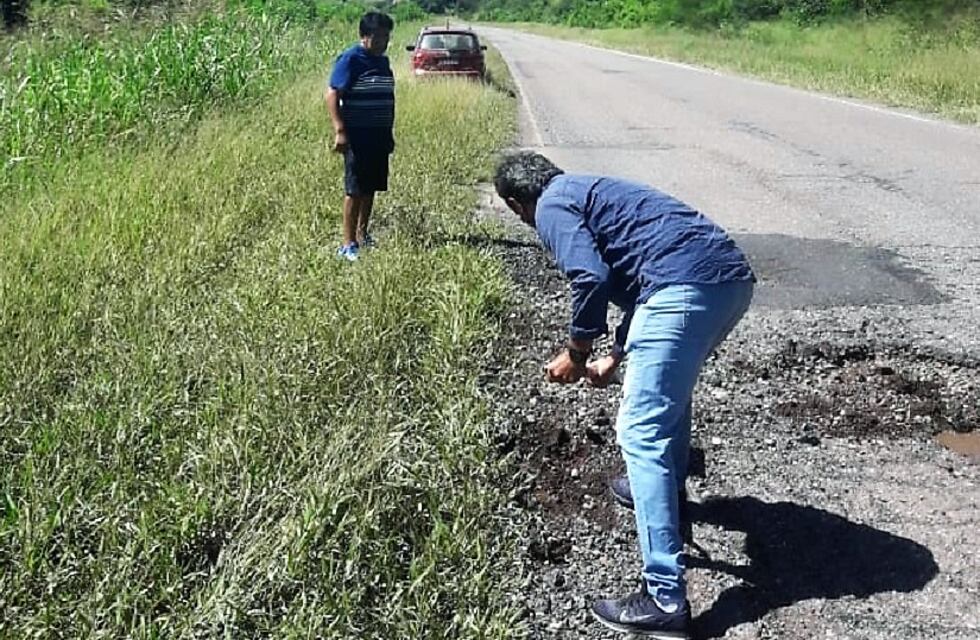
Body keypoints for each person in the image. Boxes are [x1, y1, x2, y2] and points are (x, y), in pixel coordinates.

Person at [494, 151, 756, 639]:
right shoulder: (586, 190)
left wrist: (576, 351)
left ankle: (664, 598)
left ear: (516, 204)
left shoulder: (550, 205)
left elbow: (589, 276)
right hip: (730, 283)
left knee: (640, 428)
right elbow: (639, 285)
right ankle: (660, 489)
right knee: (666, 400)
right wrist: (615, 356)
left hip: (684, 287)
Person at [325, 11, 396, 262]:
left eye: (387, 37)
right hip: (358, 136)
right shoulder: (351, 59)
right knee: (355, 189)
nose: (383, 42)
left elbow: (388, 98)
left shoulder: (382, 61)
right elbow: (332, 94)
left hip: (378, 135)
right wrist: (340, 130)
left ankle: (363, 234)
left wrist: (388, 132)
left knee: (371, 188)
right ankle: (348, 244)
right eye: (378, 37)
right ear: (364, 36)